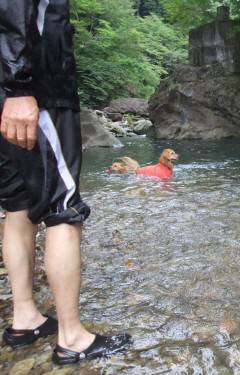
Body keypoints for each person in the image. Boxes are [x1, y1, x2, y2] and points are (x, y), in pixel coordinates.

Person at [0, 0, 130, 365]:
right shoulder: (24, 87)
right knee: (64, 211)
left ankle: (25, 318)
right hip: (36, 92)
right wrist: (18, 88)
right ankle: (72, 337)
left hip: (12, 91)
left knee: (18, 205)